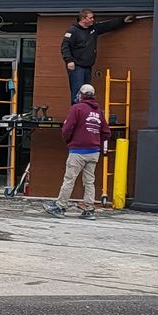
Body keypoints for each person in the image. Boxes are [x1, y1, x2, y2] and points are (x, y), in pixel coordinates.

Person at [49, 83, 105, 218]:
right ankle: (89, 210)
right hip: (94, 151)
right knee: (89, 181)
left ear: (81, 95)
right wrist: (97, 142)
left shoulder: (77, 108)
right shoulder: (98, 112)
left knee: (69, 179)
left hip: (78, 151)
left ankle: (60, 206)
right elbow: (106, 132)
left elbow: (67, 128)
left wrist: (69, 141)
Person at [60, 10, 137, 102]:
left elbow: (107, 25)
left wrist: (123, 20)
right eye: (90, 18)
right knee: (77, 93)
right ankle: (76, 113)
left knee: (87, 93)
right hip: (77, 67)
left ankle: (85, 113)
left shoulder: (93, 28)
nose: (93, 20)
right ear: (83, 19)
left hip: (88, 66)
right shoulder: (73, 31)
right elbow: (65, 46)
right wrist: (69, 60)